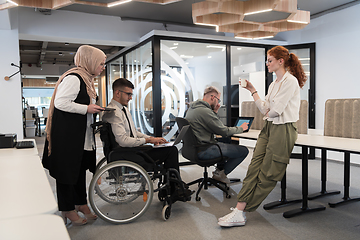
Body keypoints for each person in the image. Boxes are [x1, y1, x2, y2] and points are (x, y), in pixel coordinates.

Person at [218, 45, 307, 227]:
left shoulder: (290, 81)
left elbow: (275, 111)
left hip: (283, 129)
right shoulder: (274, 84)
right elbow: (265, 110)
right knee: (254, 168)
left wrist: (268, 111)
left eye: (270, 60)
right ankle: (239, 210)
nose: (267, 64)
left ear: (280, 61)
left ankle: (242, 210)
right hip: (269, 127)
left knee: (269, 173)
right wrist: (252, 90)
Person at [42, 45, 106, 226]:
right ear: (90, 61)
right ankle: (67, 209)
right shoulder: (74, 78)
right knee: (67, 174)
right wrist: (87, 108)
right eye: (100, 63)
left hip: (81, 136)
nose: (103, 67)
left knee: (78, 171)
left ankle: (81, 203)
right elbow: (61, 102)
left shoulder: (87, 79)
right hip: (68, 137)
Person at [102, 78, 193, 202]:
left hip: (132, 150)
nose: (130, 98)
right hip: (128, 153)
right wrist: (147, 141)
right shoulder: (114, 113)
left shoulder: (123, 109)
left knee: (167, 149)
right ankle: (174, 189)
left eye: (131, 94)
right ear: (117, 93)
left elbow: (134, 133)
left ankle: (173, 187)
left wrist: (152, 139)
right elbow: (123, 141)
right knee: (171, 151)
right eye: (128, 94)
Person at [185, 86, 249, 184]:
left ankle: (219, 171)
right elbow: (223, 131)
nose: (218, 103)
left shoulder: (193, 108)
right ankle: (221, 174)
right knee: (244, 151)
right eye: (218, 99)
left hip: (193, 148)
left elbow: (211, 125)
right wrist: (241, 128)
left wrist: (214, 112)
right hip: (204, 150)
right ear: (212, 97)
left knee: (226, 140)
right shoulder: (205, 111)